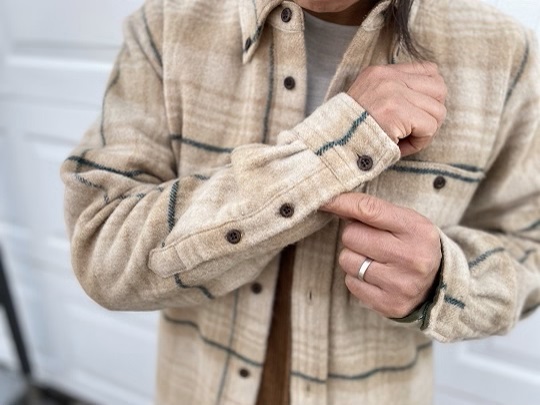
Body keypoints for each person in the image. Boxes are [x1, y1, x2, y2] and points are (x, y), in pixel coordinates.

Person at [61, 0, 540, 403]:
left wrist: (444, 280)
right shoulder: (169, 22)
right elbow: (103, 251)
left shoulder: (501, 52)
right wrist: (342, 141)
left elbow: (531, 249)